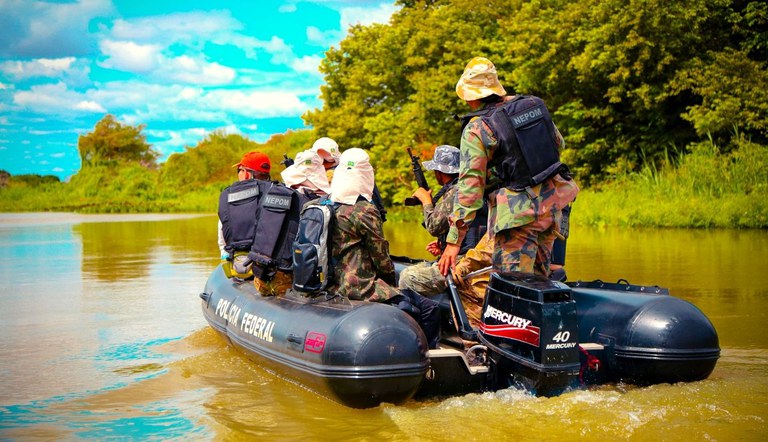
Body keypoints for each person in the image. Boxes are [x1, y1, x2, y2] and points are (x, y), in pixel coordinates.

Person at [438, 56, 579, 279]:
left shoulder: (477, 127)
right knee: (540, 278)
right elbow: (558, 143)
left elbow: (469, 190)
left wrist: (454, 242)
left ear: (470, 96)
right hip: (553, 206)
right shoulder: (532, 105)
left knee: (513, 287)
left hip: (517, 216)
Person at [327, 147, 439, 348]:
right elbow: (381, 255)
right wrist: (390, 283)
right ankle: (427, 361)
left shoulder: (326, 205)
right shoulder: (364, 210)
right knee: (430, 308)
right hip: (362, 287)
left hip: (336, 285)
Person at [398, 144, 487, 296]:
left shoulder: (456, 191)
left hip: (464, 262)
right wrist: (443, 245)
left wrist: (426, 201)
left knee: (407, 277)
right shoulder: (466, 188)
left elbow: (433, 226)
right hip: (471, 257)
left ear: (439, 171)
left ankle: (424, 317)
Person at [312, 136, 388, 222]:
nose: (323, 164)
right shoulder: (353, 169)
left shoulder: (349, 170)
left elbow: (374, 195)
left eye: (326, 161)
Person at [217, 151, 272, 260]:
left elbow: (222, 242)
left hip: (240, 265)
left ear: (246, 173)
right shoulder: (277, 193)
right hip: (270, 263)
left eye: (239, 170)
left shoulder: (229, 196)